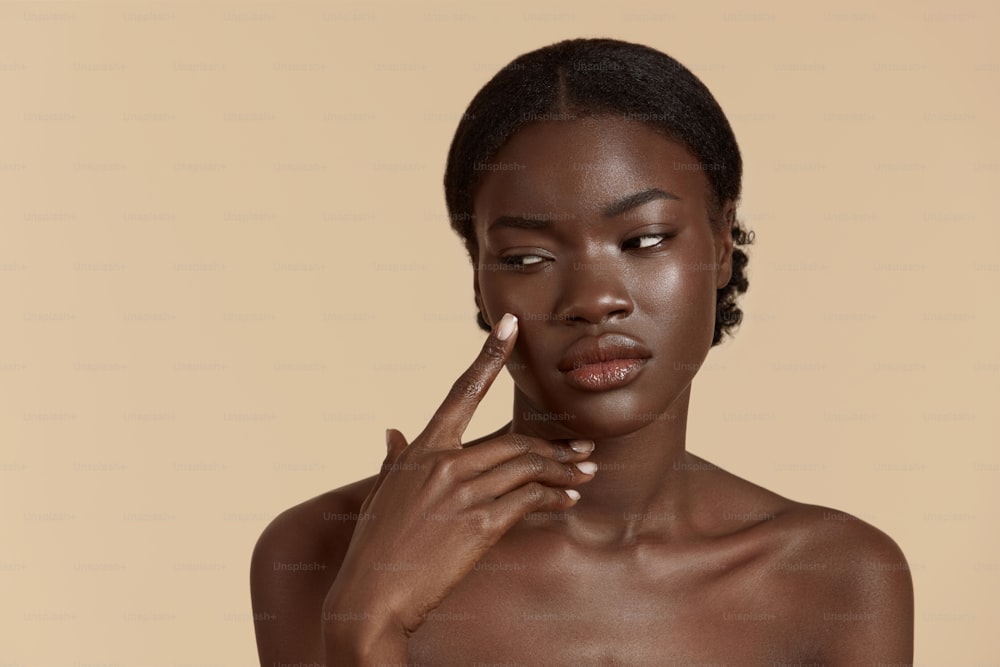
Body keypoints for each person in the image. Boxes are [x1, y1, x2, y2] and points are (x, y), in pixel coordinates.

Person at [250, 38, 913, 665]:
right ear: (479, 272)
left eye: (645, 239)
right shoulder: (319, 549)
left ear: (720, 244)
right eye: (527, 256)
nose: (594, 299)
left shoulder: (839, 578)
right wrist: (367, 622)